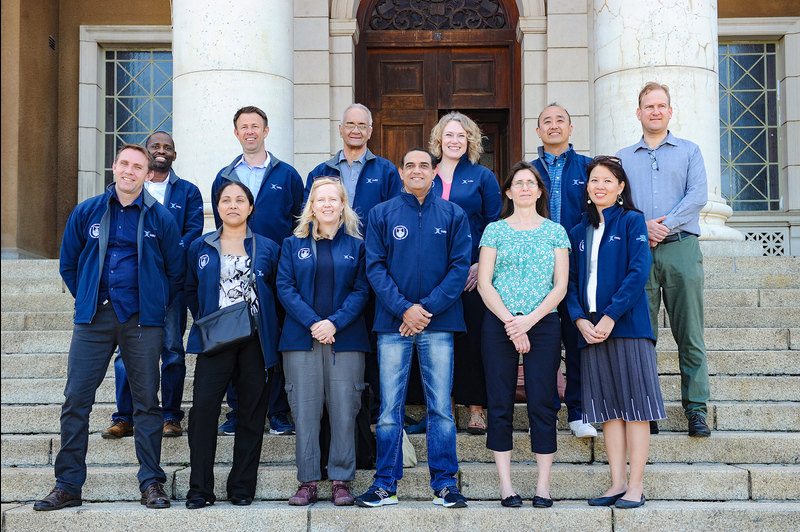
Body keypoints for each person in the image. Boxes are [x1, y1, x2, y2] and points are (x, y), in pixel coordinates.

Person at [34, 144, 183, 511]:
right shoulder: (87, 212)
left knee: (147, 404)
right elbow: (69, 262)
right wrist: (87, 297)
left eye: (138, 167)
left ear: (148, 174)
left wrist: (153, 304)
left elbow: (175, 272)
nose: (130, 171)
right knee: (76, 400)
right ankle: (68, 485)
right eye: (125, 164)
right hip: (94, 320)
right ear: (113, 167)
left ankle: (151, 482)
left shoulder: (161, 218)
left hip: (141, 321)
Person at [355, 148, 471, 508]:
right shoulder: (381, 214)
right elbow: (374, 267)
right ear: (401, 174)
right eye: (410, 166)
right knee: (390, 407)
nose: (417, 170)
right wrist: (405, 309)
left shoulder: (453, 214)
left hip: (440, 323)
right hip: (393, 324)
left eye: (424, 165)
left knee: (440, 408)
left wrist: (427, 309)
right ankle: (385, 484)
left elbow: (459, 267)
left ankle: (444, 484)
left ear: (434, 172)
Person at [566, 155, 666, 509]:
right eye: (594, 180)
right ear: (587, 189)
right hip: (590, 330)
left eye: (608, 180)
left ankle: (635, 486)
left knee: (635, 408)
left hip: (626, 327)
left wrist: (609, 316)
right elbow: (571, 283)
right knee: (608, 410)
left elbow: (638, 273)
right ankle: (616, 483)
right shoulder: (578, 231)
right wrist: (580, 320)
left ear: (621, 187)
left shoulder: (632, 221)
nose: (600, 186)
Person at [616, 82, 711, 438]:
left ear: (670, 112)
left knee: (690, 333)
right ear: (638, 113)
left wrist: (665, 225)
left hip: (682, 247)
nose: (655, 111)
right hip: (639, 252)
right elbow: (613, 200)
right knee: (643, 335)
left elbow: (697, 195)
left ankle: (696, 411)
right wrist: (642, 226)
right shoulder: (623, 157)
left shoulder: (689, 151)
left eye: (661, 106)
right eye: (648, 106)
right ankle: (646, 410)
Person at [477, 161, 569, 509]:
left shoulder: (555, 232)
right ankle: (506, 486)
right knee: (499, 402)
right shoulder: (495, 231)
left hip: (542, 322)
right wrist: (511, 323)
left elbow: (560, 286)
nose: (526, 188)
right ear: (508, 191)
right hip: (499, 322)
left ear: (540, 190)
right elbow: (484, 283)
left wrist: (527, 322)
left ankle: (543, 486)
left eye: (532, 183)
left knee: (542, 401)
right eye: (519, 183)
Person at [183, 181, 281, 509]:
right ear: (218, 207)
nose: (233, 205)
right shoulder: (201, 247)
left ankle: (241, 487)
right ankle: (200, 489)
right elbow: (189, 289)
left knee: (252, 413)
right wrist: (207, 319)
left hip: (255, 340)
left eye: (240, 200)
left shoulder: (268, 247)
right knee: (203, 411)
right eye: (226, 200)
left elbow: (277, 295)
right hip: (215, 339)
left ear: (251, 208)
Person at [103, 131, 203, 440]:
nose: (161, 151)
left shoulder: (188, 192)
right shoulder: (125, 190)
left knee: (172, 349)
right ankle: (125, 416)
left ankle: (171, 416)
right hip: (130, 289)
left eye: (167, 147)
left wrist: (161, 260)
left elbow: (192, 233)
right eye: (155, 147)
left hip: (169, 286)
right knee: (125, 354)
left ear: (175, 154)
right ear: (145, 156)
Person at [306, 103, 402, 424]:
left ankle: (373, 410)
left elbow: (392, 219)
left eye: (362, 125)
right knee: (336, 329)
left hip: (374, 264)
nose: (356, 130)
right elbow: (308, 221)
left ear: (371, 131)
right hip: (330, 265)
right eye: (350, 124)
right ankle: (329, 407)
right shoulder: (320, 173)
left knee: (374, 336)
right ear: (341, 129)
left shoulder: (386, 171)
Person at [277, 177, 370, 506]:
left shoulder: (358, 247)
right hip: (301, 339)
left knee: (345, 410)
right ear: (311, 206)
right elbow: (285, 288)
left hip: (345, 340)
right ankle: (308, 480)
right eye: (321, 199)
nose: (327, 204)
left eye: (334, 199)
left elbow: (362, 291)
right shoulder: (292, 245)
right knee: (305, 411)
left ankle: (342, 480)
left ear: (343, 205)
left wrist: (334, 322)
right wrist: (315, 323)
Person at [211, 105, 302, 437]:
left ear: (266, 130)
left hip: (276, 269)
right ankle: (237, 411)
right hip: (233, 268)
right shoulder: (224, 176)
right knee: (234, 338)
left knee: (273, 339)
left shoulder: (287, 174)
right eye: (243, 127)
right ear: (236, 134)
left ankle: (277, 411)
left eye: (255, 126)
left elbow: (298, 223)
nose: (250, 131)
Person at [426, 111, 501, 435]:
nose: (455, 140)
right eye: (449, 135)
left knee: (471, 340)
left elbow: (494, 224)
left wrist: (479, 265)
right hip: (430, 272)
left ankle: (475, 408)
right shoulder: (425, 174)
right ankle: (436, 406)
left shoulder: (482, 176)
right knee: (433, 339)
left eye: (461, 135)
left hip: (471, 273)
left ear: (470, 140)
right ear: (438, 140)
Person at [532, 103, 597, 439]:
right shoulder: (527, 172)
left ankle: (578, 411)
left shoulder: (588, 168)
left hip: (577, 265)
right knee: (542, 342)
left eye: (560, 120)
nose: (554, 125)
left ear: (571, 129)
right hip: (537, 268)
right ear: (538, 131)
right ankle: (543, 412)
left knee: (575, 339)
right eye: (547, 121)